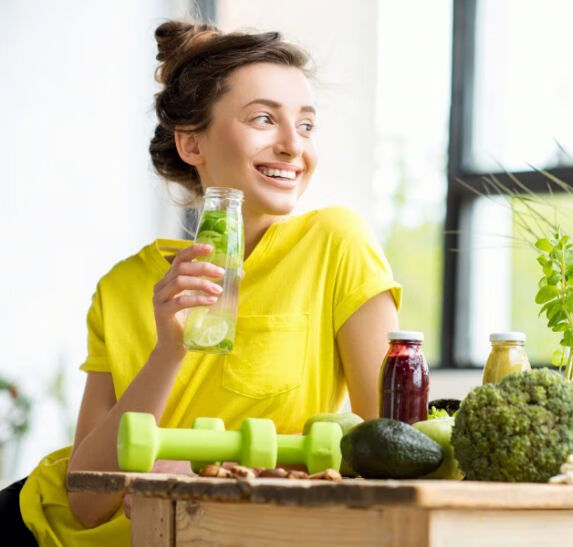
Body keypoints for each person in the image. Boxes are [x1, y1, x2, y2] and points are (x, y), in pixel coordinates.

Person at [4, 20, 401, 546]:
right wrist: (169, 349)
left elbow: (394, 453)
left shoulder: (337, 245)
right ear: (192, 143)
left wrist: (188, 468)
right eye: (264, 119)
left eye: (306, 126)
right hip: (42, 531)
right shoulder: (123, 287)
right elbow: (85, 501)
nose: (291, 146)